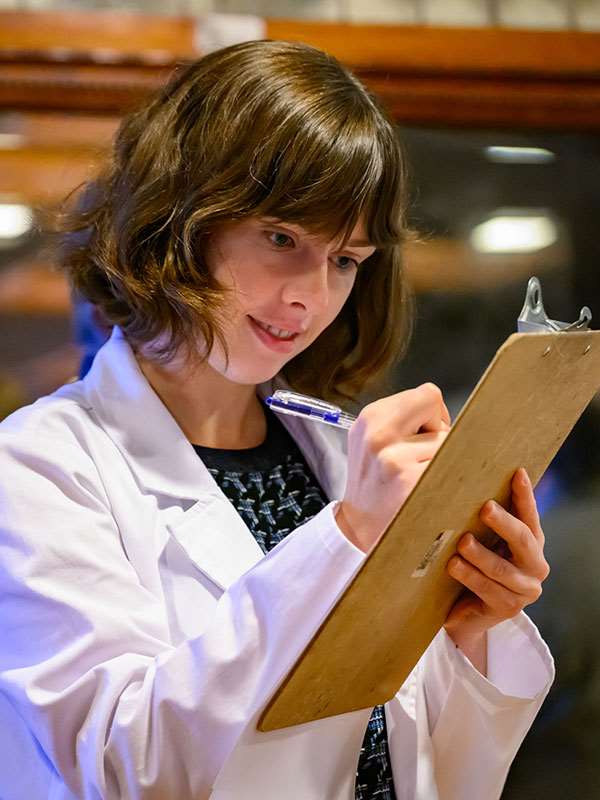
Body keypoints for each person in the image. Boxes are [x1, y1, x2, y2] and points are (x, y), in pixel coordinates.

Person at [0, 41, 553, 800]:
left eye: (346, 260)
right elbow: (121, 768)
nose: (311, 297)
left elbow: (422, 767)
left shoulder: (336, 453)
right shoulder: (38, 466)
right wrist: (347, 536)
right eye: (282, 238)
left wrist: (470, 627)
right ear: (181, 214)